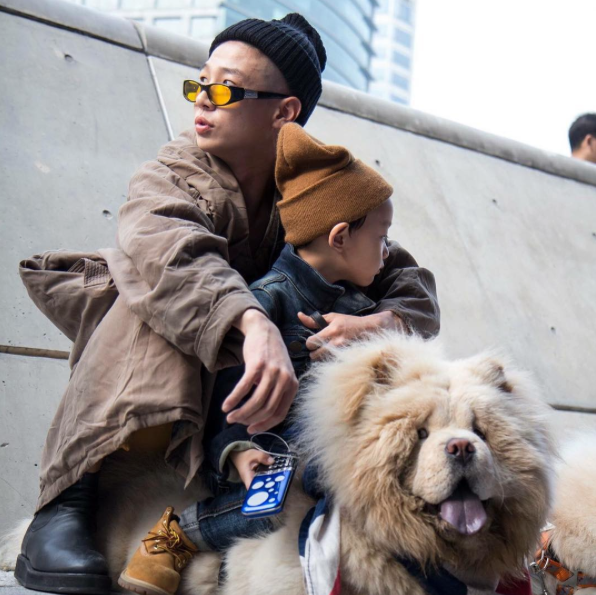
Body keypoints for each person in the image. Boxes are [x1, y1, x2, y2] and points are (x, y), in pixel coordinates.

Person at [15, 13, 440, 595]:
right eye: (199, 83)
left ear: (284, 112)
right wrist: (252, 319)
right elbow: (167, 251)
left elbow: (401, 274)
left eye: (225, 89)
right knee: (153, 300)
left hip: (259, 413)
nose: (202, 100)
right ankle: (69, 497)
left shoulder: (315, 187)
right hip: (160, 383)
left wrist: (381, 322)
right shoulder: (174, 169)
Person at [118, 122, 412, 595]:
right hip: (266, 455)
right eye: (381, 238)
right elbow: (225, 393)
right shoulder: (266, 302)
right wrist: (235, 450)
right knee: (273, 503)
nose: (387, 253)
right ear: (339, 237)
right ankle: (176, 535)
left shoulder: (361, 309)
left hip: (331, 455)